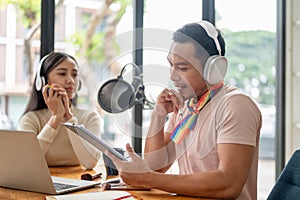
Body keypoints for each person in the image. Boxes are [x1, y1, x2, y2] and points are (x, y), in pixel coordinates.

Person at [108, 21, 262, 199]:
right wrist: (158, 115)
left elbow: (228, 184)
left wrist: (147, 178)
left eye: (182, 68)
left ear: (214, 68)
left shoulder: (235, 105)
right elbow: (156, 167)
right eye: (171, 65)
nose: (173, 76)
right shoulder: (185, 107)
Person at [18, 51, 102, 170]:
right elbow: (27, 162)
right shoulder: (31, 119)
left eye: (74, 74)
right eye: (62, 74)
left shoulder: (90, 117)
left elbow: (90, 163)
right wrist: (56, 118)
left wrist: (68, 118)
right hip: (42, 182)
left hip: (79, 182)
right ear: (43, 81)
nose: (71, 81)